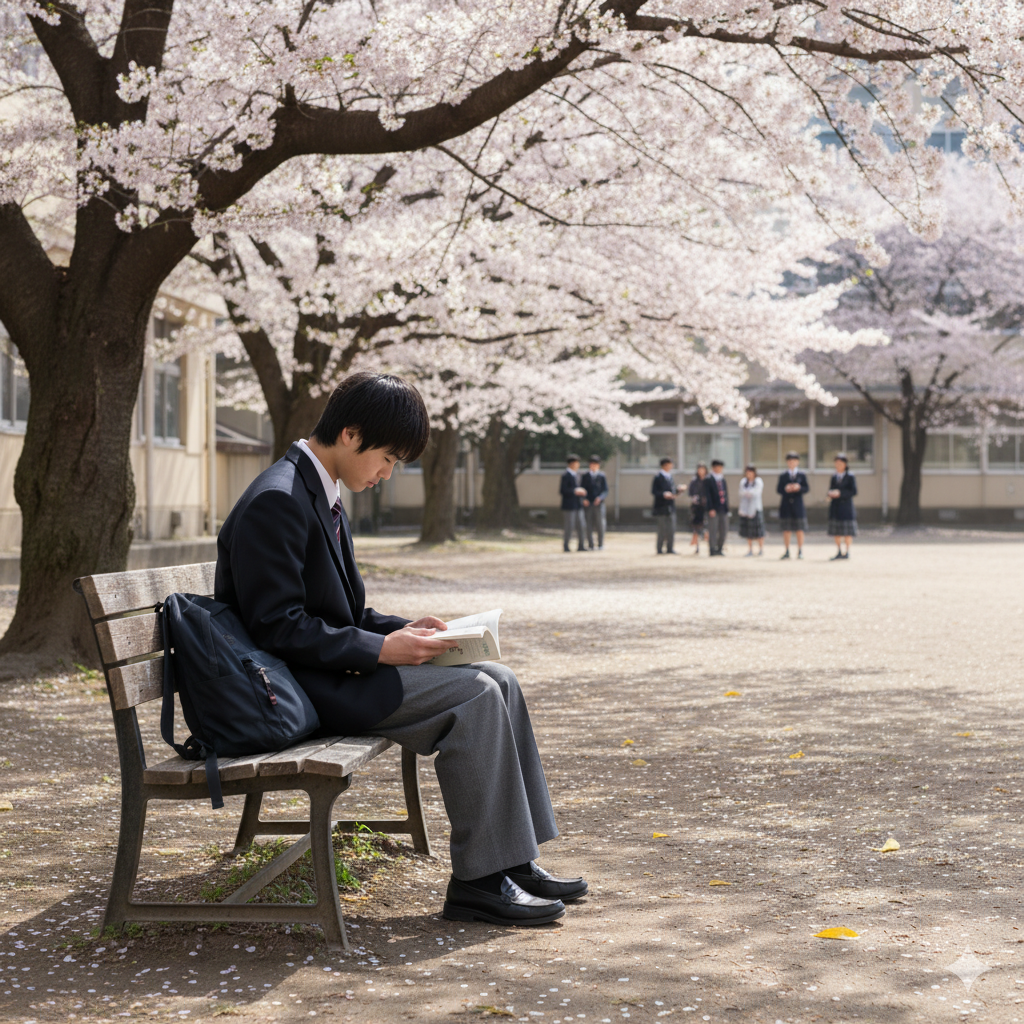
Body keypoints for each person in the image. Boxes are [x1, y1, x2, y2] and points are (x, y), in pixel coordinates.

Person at [215, 372, 585, 927]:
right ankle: (480, 882)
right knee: (477, 694)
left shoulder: (313, 489)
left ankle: (512, 859)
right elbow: (276, 628)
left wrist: (406, 631)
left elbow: (338, 613)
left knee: (499, 678)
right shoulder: (278, 499)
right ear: (350, 433)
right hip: (297, 689)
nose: (387, 474)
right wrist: (383, 650)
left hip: (324, 673)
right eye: (387, 458)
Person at [776, 450, 809, 560]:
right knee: (786, 529)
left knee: (800, 529)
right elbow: (779, 489)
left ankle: (800, 550)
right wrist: (786, 488)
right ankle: (787, 550)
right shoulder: (783, 475)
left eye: (794, 461)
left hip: (798, 505)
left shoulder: (801, 475)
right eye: (790, 461)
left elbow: (806, 488)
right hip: (786, 505)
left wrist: (798, 488)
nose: (792, 463)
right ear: (787, 462)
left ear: (798, 462)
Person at [827, 452, 858, 560]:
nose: (838, 465)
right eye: (836, 463)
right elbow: (830, 489)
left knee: (847, 532)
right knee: (836, 531)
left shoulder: (850, 476)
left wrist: (840, 493)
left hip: (846, 507)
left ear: (845, 464)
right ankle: (839, 551)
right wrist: (830, 494)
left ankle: (847, 551)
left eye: (840, 463)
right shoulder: (834, 476)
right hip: (835, 507)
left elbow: (854, 491)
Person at [651, 456, 680, 554]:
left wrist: (678, 490)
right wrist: (663, 494)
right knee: (662, 529)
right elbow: (654, 491)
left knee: (671, 529)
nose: (671, 466)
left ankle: (670, 548)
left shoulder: (670, 476)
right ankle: (659, 549)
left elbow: (673, 491)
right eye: (670, 464)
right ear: (665, 465)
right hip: (661, 507)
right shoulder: (658, 477)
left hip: (670, 506)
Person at [560, 454, 588, 553]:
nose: (578, 465)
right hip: (569, 506)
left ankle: (581, 545)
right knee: (569, 526)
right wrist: (575, 491)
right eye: (576, 463)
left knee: (581, 525)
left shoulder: (578, 475)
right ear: (571, 464)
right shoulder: (565, 475)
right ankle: (566, 545)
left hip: (578, 505)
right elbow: (563, 490)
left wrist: (583, 497)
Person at [581, 454, 609, 551]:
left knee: (600, 524)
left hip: (599, 504)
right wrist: (584, 499)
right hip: (588, 504)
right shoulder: (585, 476)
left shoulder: (602, 476)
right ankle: (590, 544)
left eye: (595, 464)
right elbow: (582, 489)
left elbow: (605, 490)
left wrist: (600, 498)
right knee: (588, 524)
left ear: (598, 465)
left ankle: (600, 544)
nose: (593, 466)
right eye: (592, 464)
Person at [738, 464, 765, 556]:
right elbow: (741, 492)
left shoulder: (758, 481)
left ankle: (761, 549)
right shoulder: (743, 481)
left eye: (751, 472)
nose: (749, 474)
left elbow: (756, 492)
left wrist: (748, 492)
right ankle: (750, 549)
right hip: (745, 509)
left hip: (756, 508)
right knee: (748, 531)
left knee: (759, 530)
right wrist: (748, 493)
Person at [704, 458, 729, 556]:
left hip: (723, 508)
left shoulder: (722, 479)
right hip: (713, 509)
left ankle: (719, 548)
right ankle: (712, 549)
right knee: (713, 530)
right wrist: (710, 508)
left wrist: (727, 507)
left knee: (724, 530)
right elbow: (707, 495)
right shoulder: (708, 479)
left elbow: (726, 494)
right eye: (717, 467)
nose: (719, 469)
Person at [687, 462, 709, 554]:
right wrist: (694, 498)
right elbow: (690, 492)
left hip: (707, 506)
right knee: (697, 526)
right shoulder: (694, 481)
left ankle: (709, 546)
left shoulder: (708, 480)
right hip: (697, 507)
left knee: (707, 525)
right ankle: (697, 546)